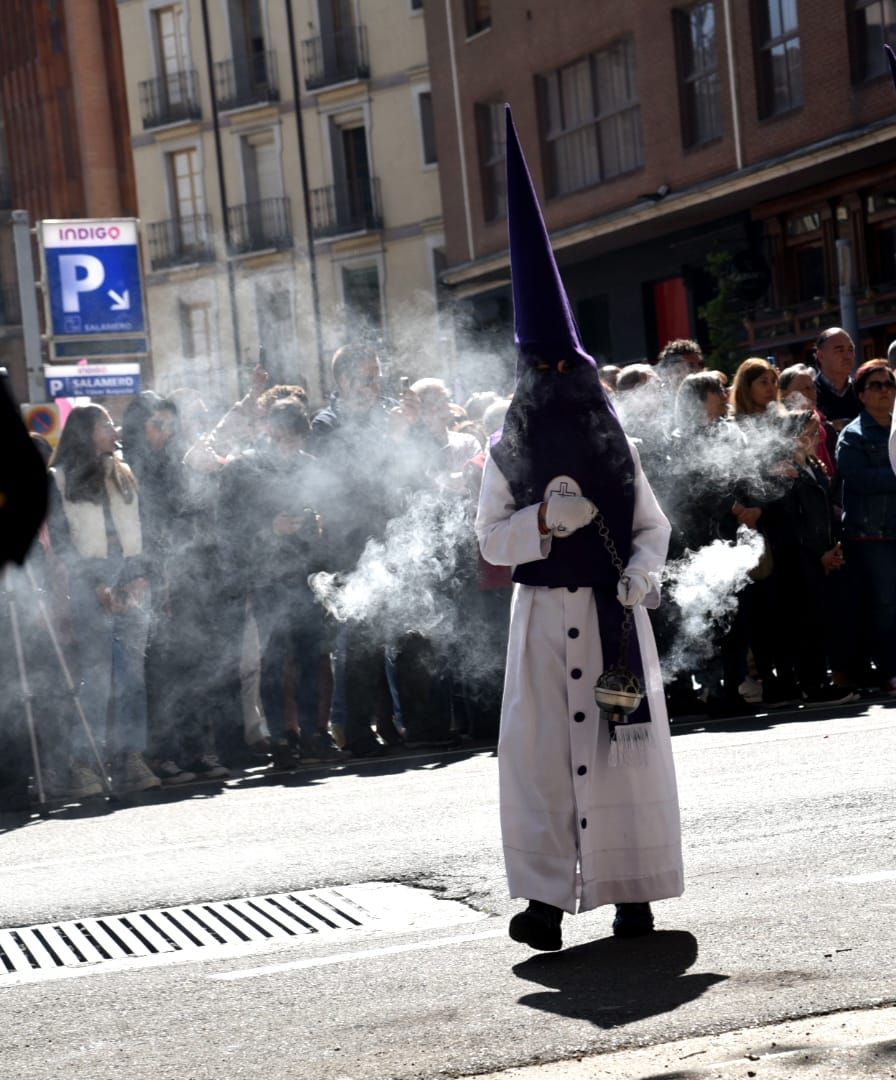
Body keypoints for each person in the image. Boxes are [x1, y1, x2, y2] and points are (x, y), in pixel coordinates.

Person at [475, 107, 683, 952]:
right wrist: (538, 520)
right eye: (545, 369)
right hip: (537, 625)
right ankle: (545, 903)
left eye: (570, 368)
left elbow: (651, 526)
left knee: (623, 754)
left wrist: (643, 574)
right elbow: (490, 540)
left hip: (609, 619)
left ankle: (633, 895)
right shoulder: (506, 448)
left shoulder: (615, 441)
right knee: (538, 765)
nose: (558, 381)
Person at [47, 405, 160, 795]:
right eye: (104, 425)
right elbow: (62, 542)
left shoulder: (124, 471)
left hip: (128, 574)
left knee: (133, 677)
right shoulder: (59, 480)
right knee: (97, 677)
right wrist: (97, 584)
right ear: (84, 432)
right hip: (88, 579)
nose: (114, 430)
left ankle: (131, 757)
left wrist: (141, 576)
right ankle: (83, 762)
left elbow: (141, 528)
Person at [836, 359, 896, 694]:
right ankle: (889, 670)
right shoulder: (854, 435)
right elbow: (856, 478)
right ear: (860, 395)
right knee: (884, 605)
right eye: (875, 385)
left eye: (889, 384)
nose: (885, 391)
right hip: (871, 534)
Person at [813, 327, 859, 431]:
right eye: (840, 350)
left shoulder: (862, 389)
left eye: (850, 350)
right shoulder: (810, 393)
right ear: (821, 356)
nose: (847, 356)